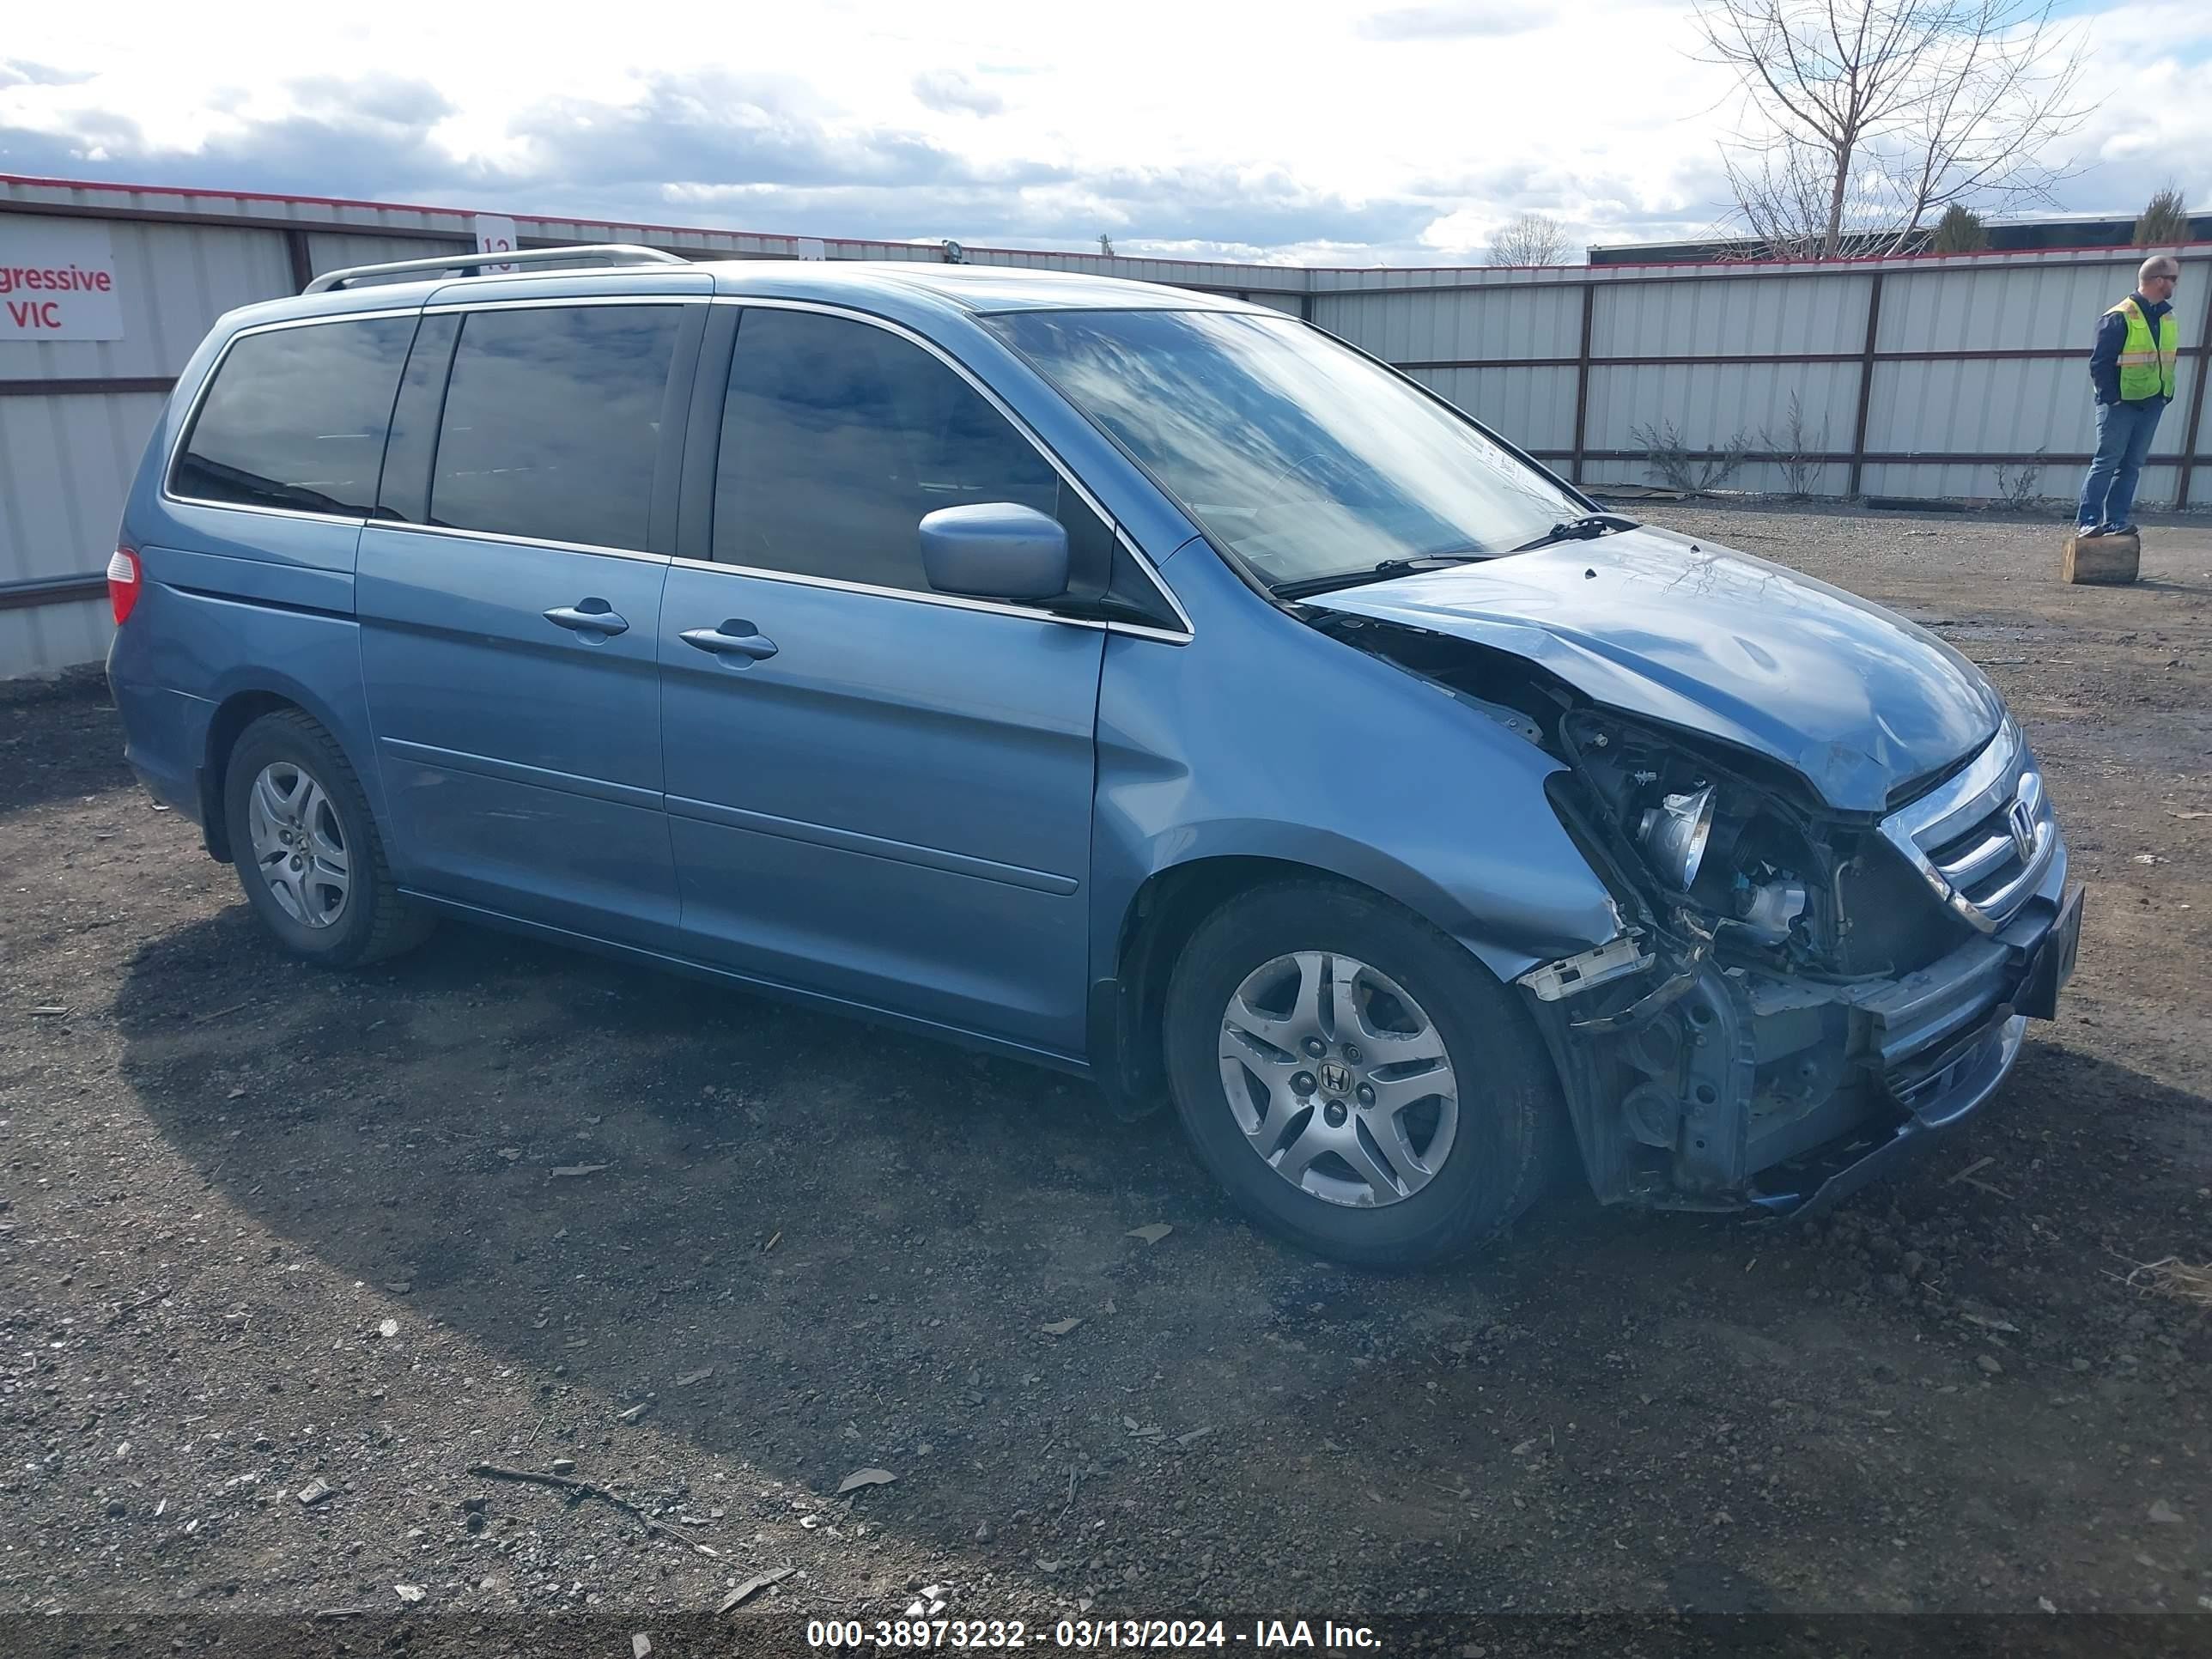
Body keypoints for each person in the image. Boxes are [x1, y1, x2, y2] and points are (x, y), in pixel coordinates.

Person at [2076, 254, 2182, 538]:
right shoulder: (2119, 316)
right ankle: (2088, 521)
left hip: (2153, 402)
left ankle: (2117, 520)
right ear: (2159, 281)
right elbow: (2100, 364)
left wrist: (2164, 396)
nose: (2176, 284)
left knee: (2132, 465)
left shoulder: (2166, 317)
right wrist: (2113, 399)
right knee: (2107, 461)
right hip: (2121, 405)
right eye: (2174, 278)